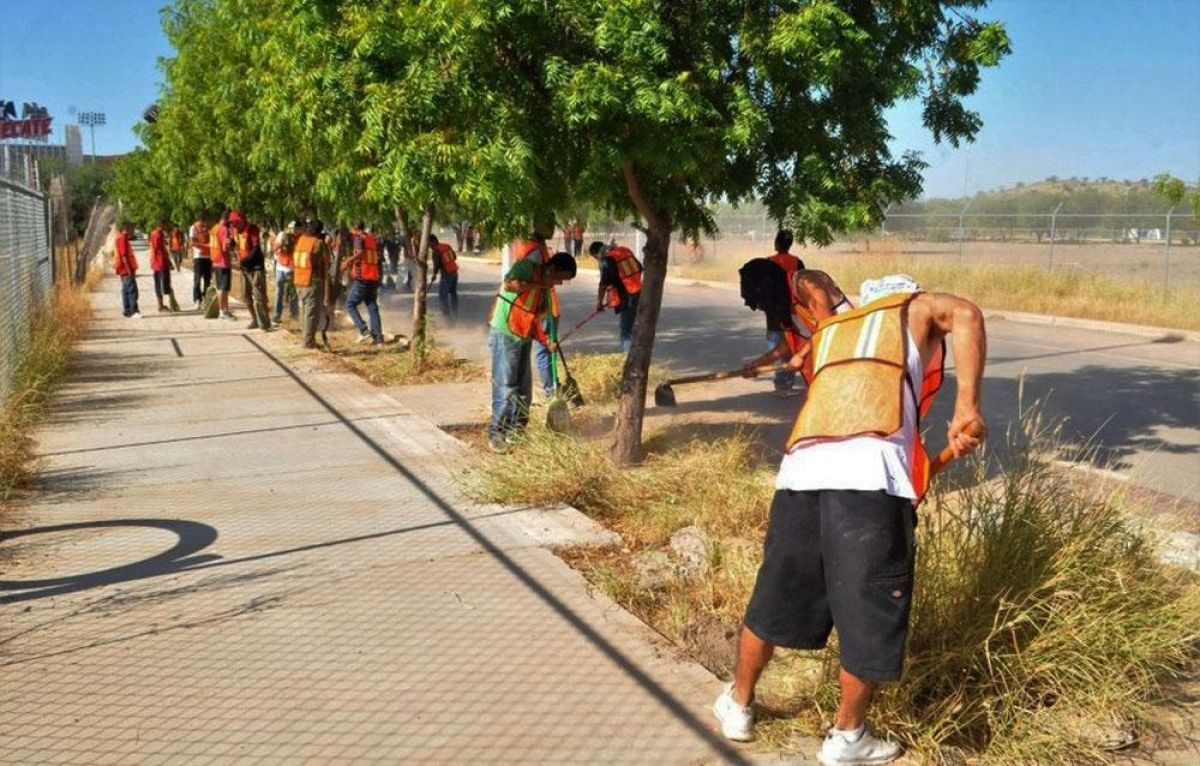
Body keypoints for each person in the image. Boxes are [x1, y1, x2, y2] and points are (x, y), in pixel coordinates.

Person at [713, 275, 988, 766]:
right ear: (907, 296)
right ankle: (847, 738)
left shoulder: (835, 330)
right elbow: (966, 314)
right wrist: (967, 406)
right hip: (869, 483)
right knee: (868, 613)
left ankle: (737, 705)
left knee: (774, 594)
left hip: (800, 474)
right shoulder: (914, 308)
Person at [487, 251, 577, 452]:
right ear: (552, 269)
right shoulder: (527, 267)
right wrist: (540, 284)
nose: (559, 284)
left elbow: (535, 319)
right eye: (560, 278)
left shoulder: (546, 291)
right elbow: (510, 284)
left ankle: (517, 430)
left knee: (524, 388)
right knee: (506, 385)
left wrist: (546, 341)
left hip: (524, 336)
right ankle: (496, 433)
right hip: (506, 333)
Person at [738, 259, 852, 384]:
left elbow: (827, 328)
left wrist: (801, 355)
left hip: (852, 349)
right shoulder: (785, 303)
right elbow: (785, 346)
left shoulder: (807, 282)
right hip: (833, 359)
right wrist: (758, 364)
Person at [760, 230, 805, 395]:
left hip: (773, 311)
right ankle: (785, 383)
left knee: (776, 343)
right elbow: (801, 286)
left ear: (776, 243)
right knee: (789, 345)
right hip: (792, 311)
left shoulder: (767, 262)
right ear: (790, 244)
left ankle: (782, 384)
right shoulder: (797, 262)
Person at [589, 240, 643, 352]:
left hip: (627, 297)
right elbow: (639, 267)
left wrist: (599, 302)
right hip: (639, 293)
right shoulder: (625, 250)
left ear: (596, 253)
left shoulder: (608, 260)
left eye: (595, 258)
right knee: (634, 328)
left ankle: (629, 360)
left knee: (626, 331)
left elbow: (603, 284)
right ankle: (637, 357)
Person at [343, 222, 384, 344]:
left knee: (350, 304)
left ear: (354, 228)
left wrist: (347, 262)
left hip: (363, 277)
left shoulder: (358, 238)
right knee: (372, 307)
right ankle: (378, 339)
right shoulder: (371, 238)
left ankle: (363, 330)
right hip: (373, 277)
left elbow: (360, 253)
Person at [293, 219, 328, 349]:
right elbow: (325, 261)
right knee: (311, 313)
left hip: (298, 280)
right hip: (312, 281)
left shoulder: (301, 240)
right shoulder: (318, 243)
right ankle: (308, 343)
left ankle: (305, 339)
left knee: (303, 311)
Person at [231, 211, 270, 330]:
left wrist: (245, 260)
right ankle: (254, 319)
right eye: (232, 223)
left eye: (236, 222)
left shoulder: (252, 229)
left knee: (259, 296)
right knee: (246, 296)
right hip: (244, 268)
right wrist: (231, 243)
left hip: (256, 268)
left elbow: (256, 249)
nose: (234, 225)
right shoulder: (235, 231)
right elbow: (236, 244)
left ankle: (265, 322)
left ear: (242, 220)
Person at [273, 220, 300, 323]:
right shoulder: (282, 235)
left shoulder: (299, 238)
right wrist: (281, 245)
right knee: (279, 292)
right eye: (292, 228)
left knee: (293, 293)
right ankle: (277, 315)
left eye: (296, 228)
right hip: (280, 267)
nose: (294, 230)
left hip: (291, 268)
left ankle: (294, 315)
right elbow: (275, 247)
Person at [428, 234, 459, 321]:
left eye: (429, 243)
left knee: (442, 296)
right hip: (454, 272)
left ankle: (448, 319)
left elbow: (436, 265)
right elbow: (454, 257)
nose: (428, 246)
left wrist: (434, 275)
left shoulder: (436, 251)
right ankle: (455, 314)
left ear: (433, 241)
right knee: (453, 294)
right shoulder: (447, 246)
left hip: (446, 275)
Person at [114, 221, 141, 318]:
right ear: (127, 229)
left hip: (123, 269)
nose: (133, 231)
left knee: (125, 290)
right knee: (132, 290)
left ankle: (127, 310)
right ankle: (134, 311)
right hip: (126, 269)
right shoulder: (122, 239)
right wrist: (129, 270)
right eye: (132, 229)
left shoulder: (121, 238)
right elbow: (124, 256)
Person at [148, 219, 177, 312]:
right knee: (161, 285)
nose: (167, 227)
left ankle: (162, 305)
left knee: (162, 284)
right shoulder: (157, 235)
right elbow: (159, 250)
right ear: (161, 225)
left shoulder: (158, 234)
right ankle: (160, 306)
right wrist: (168, 261)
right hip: (159, 263)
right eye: (165, 225)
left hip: (160, 262)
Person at [211, 212, 235, 319]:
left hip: (215, 261)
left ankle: (224, 310)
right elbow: (226, 247)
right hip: (223, 262)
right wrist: (231, 242)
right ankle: (223, 311)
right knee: (224, 288)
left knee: (220, 287)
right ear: (226, 219)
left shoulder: (213, 228)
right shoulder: (224, 229)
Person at [189, 217, 212, 306]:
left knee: (207, 280)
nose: (203, 223)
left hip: (208, 257)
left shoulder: (207, 228)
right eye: (202, 221)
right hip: (199, 257)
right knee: (197, 279)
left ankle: (206, 298)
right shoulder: (193, 228)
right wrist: (204, 245)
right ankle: (197, 299)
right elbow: (192, 243)